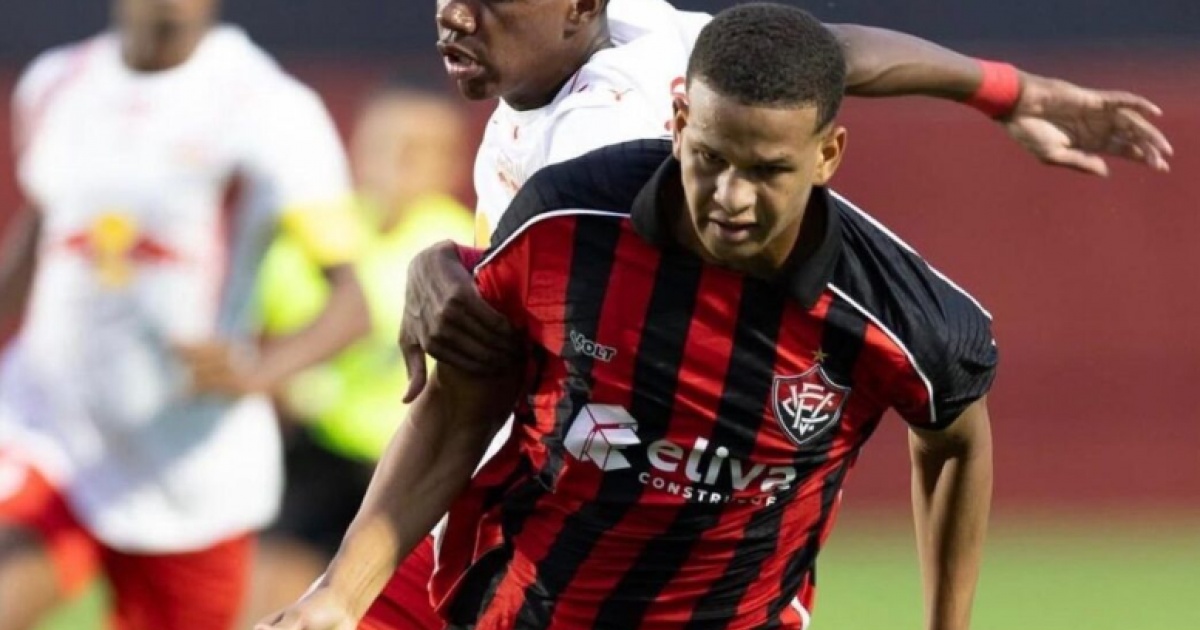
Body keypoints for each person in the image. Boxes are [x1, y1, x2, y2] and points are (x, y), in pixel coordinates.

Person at [362, 0, 1173, 627]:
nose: (455, 14)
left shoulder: (599, 145)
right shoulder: (638, 32)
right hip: (510, 516)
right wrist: (1005, 90)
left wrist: (450, 267)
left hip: (625, 543)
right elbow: (826, 52)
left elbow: (573, 266)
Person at [259, 5, 997, 628]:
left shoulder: (894, 312)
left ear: (828, 155)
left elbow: (956, 441)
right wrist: (337, 598)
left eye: (769, 171)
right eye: (710, 158)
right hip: (522, 601)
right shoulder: (567, 217)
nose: (731, 199)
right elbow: (458, 407)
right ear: (678, 123)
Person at [0, 1, 370, 628]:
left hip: (189, 464)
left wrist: (256, 369)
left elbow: (351, 305)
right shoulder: (54, 84)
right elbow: (42, 235)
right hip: (50, 429)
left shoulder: (271, 108)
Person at [243, 83, 474, 626]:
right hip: (318, 456)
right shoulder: (320, 239)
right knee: (270, 611)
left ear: (452, 163)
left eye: (419, 149)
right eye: (386, 144)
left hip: (413, 474)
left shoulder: (462, 247)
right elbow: (267, 339)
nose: (399, 161)